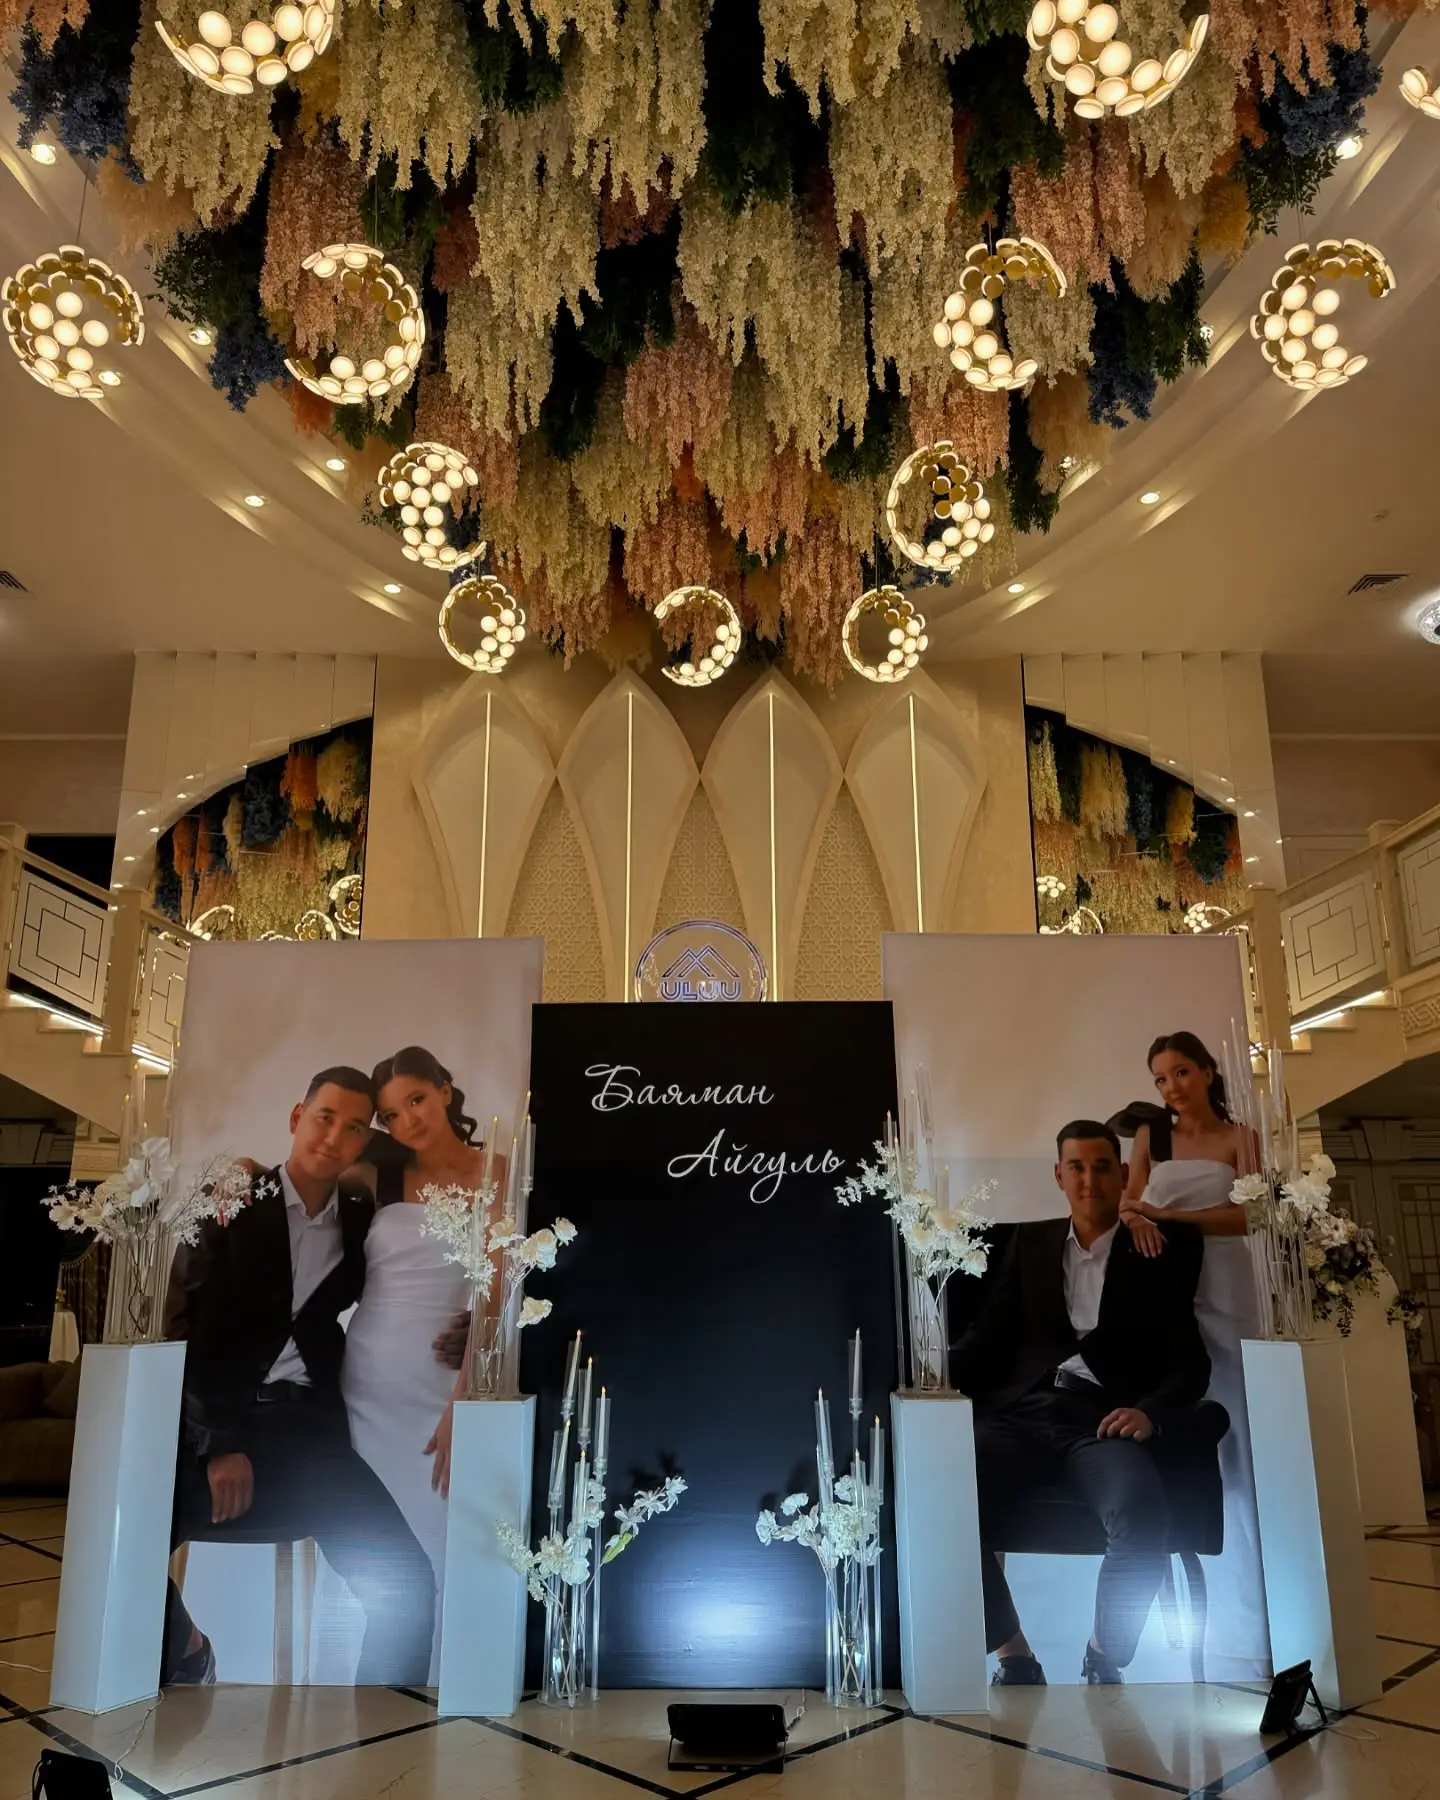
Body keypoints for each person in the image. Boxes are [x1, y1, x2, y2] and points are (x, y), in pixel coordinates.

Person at [162, 1067, 436, 1688]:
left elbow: (412, 1254)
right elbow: (186, 1325)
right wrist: (221, 1441)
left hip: (307, 1434)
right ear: (296, 1118)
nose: (334, 1138)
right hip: (213, 1430)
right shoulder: (232, 1198)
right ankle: (188, 1650)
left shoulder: (359, 1216)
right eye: (324, 1118)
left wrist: (465, 1321)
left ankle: (388, 1731)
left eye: (354, 1128)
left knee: (407, 1581)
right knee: (120, 1552)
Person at [954, 1120, 1209, 1687]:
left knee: (1141, 1514)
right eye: (1077, 1168)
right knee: (946, 1501)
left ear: (1122, 1175)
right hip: (1021, 1413)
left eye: (1102, 1167)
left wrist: (1150, 1412)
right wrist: (926, 1379)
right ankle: (1014, 1656)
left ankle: (1104, 1654)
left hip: (1103, 1422)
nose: (1090, 1180)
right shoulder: (1029, 1242)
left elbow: (1190, 1362)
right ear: (1059, 1175)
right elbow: (988, 1334)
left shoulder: (1157, 1251)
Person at [341, 1047, 499, 1679]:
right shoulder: (374, 1174)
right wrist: (244, 1171)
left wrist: (463, 1403)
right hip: (370, 1377)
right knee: (387, 1551)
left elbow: (498, 1288)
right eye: (391, 1115)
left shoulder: (498, 1170)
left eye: (417, 1100)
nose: (407, 1121)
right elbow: (298, 1182)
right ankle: (389, 1692)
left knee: (451, 1534)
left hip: (446, 1384)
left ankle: (451, 1683)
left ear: (446, 1090)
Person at [1119, 1029, 1271, 1679]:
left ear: (1208, 1071)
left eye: (1181, 1072)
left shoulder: (1241, 1139)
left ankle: (1253, 1617)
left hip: (1227, 1283)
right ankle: (1177, 1602)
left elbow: (1253, 1216)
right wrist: (1140, 1218)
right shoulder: (1150, 1137)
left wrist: (1173, 1219)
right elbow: (1130, 1204)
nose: (1170, 1087)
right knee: (1180, 1422)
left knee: (1240, 1435)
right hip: (1166, 1286)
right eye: (1160, 1078)